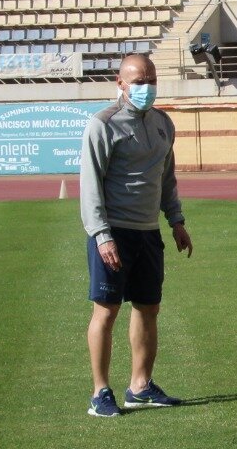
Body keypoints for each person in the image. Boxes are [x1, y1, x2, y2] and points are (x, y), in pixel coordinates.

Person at [79, 53, 193, 417]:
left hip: (148, 233)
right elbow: (90, 186)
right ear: (120, 82)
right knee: (106, 312)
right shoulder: (103, 124)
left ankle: (140, 386)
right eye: (138, 81)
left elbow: (166, 178)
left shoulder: (163, 124)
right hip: (114, 233)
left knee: (148, 309)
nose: (146, 87)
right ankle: (100, 393)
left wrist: (175, 220)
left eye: (151, 80)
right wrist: (101, 235)